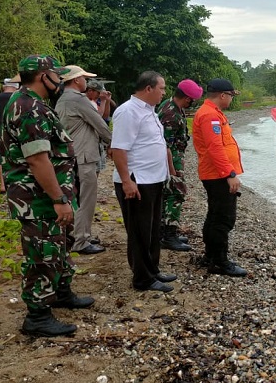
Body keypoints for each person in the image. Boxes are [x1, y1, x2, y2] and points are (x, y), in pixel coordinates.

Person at [0, 55, 94, 338]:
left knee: (59, 247)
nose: (60, 80)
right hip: (38, 198)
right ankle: (38, 316)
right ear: (44, 76)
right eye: (57, 75)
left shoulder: (29, 102)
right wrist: (58, 199)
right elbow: (38, 159)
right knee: (42, 254)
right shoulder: (29, 107)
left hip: (46, 196)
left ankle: (62, 292)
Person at [110, 71, 178, 293]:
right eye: (162, 88)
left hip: (154, 179)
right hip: (137, 181)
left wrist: (168, 168)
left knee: (152, 229)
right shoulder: (128, 112)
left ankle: (152, 269)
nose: (164, 93)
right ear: (148, 88)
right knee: (139, 231)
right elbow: (119, 149)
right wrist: (126, 181)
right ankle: (142, 279)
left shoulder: (150, 111)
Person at [192, 78, 247, 277]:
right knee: (223, 219)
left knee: (215, 216)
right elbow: (215, 148)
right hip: (217, 175)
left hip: (215, 173)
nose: (232, 99)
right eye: (231, 95)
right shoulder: (209, 116)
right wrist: (229, 174)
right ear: (223, 95)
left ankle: (211, 256)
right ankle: (220, 262)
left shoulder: (214, 114)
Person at [55, 65, 112, 255]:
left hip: (70, 155)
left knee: (75, 197)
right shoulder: (78, 100)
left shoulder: (62, 99)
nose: (86, 83)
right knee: (86, 198)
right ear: (77, 80)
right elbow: (99, 124)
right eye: (84, 79)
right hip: (84, 155)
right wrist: (114, 144)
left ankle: (77, 234)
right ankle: (82, 240)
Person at [157, 79, 204, 251]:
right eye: (192, 100)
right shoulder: (171, 114)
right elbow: (165, 145)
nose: (192, 103)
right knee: (175, 194)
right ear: (186, 98)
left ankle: (165, 232)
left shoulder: (172, 106)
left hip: (175, 157)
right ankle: (168, 235)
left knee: (169, 194)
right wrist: (172, 169)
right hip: (172, 159)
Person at [84, 78, 116, 174]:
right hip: (88, 142)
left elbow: (105, 117)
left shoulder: (94, 101)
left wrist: (106, 101)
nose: (99, 95)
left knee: (97, 170)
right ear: (90, 91)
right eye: (98, 93)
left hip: (97, 141)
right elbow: (99, 116)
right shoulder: (85, 102)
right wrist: (102, 101)